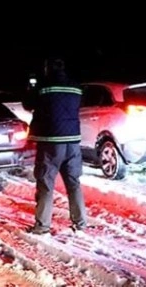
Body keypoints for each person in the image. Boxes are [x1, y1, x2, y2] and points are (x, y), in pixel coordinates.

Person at [23, 57, 88, 235]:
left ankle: (42, 226)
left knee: (45, 184)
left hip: (50, 142)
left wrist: (30, 87)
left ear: (47, 69)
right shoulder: (76, 87)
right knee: (74, 183)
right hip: (73, 141)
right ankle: (81, 222)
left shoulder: (43, 87)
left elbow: (28, 104)